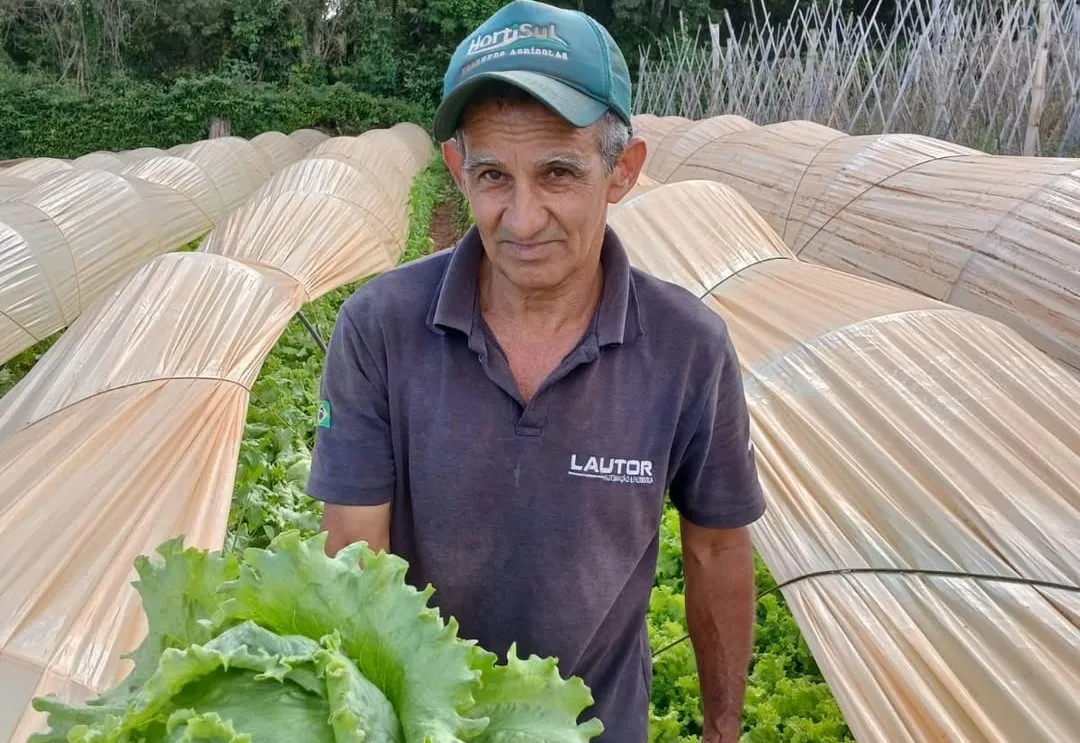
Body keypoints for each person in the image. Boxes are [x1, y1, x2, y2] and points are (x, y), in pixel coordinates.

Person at [306, 1, 766, 740]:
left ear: (622, 171)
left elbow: (716, 548)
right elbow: (357, 558)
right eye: (493, 174)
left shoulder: (688, 347)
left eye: (558, 172)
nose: (521, 219)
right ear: (456, 170)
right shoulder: (380, 328)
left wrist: (723, 729)